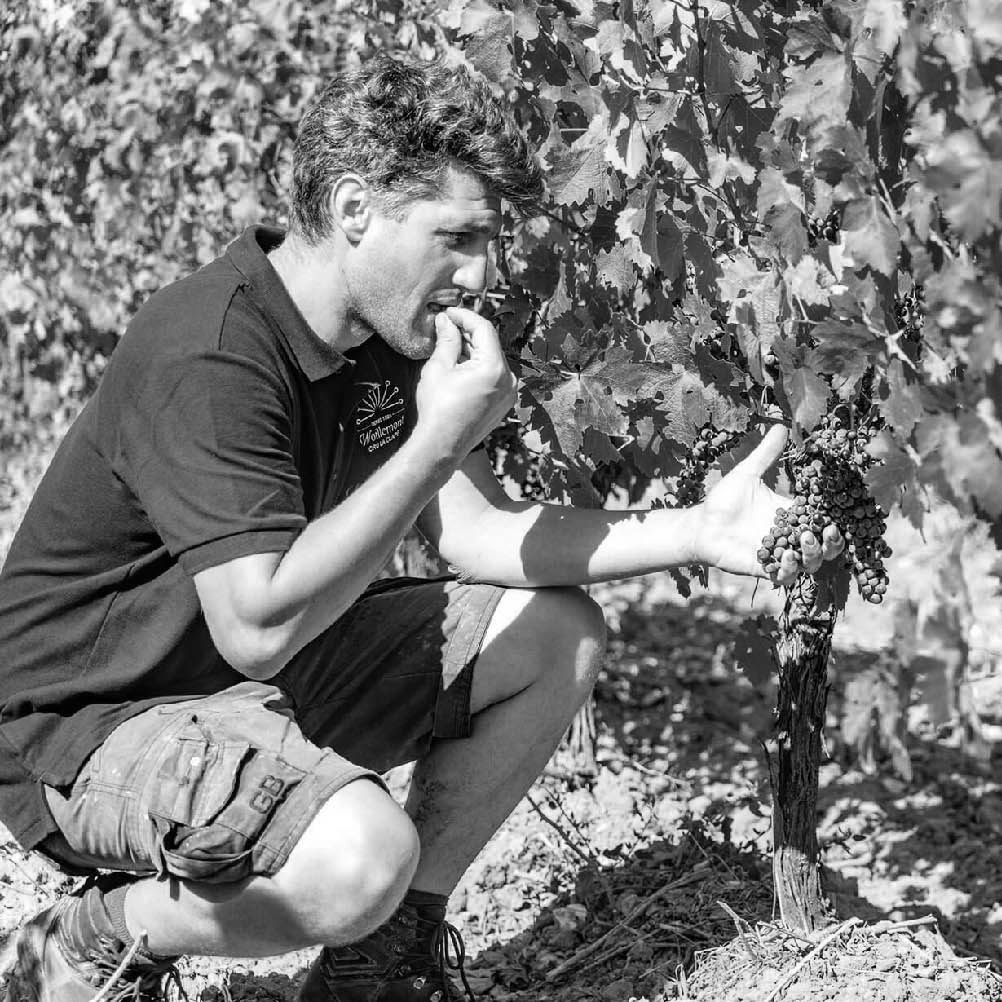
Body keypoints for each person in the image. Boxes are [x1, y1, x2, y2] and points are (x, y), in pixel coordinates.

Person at [0, 55, 843, 1002]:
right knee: (361, 860)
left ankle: (382, 961)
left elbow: (482, 532)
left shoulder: (378, 336)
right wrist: (438, 437)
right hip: (93, 727)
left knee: (555, 632)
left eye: (489, 241)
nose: (481, 274)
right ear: (355, 210)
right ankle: (92, 938)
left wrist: (696, 530)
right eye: (457, 238)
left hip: (240, 685)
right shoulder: (212, 350)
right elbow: (256, 627)